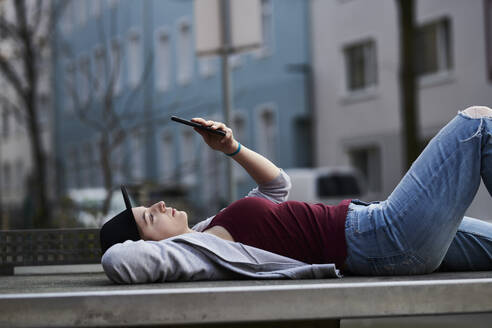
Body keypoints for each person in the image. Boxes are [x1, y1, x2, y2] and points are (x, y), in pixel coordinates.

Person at [100, 106, 492, 284]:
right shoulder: (199, 252)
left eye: (148, 206)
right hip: (383, 236)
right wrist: (144, 242)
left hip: (380, 228)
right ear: (153, 247)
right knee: (477, 124)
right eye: (149, 217)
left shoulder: (210, 231)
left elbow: (277, 187)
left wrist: (231, 149)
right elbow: (119, 260)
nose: (158, 205)